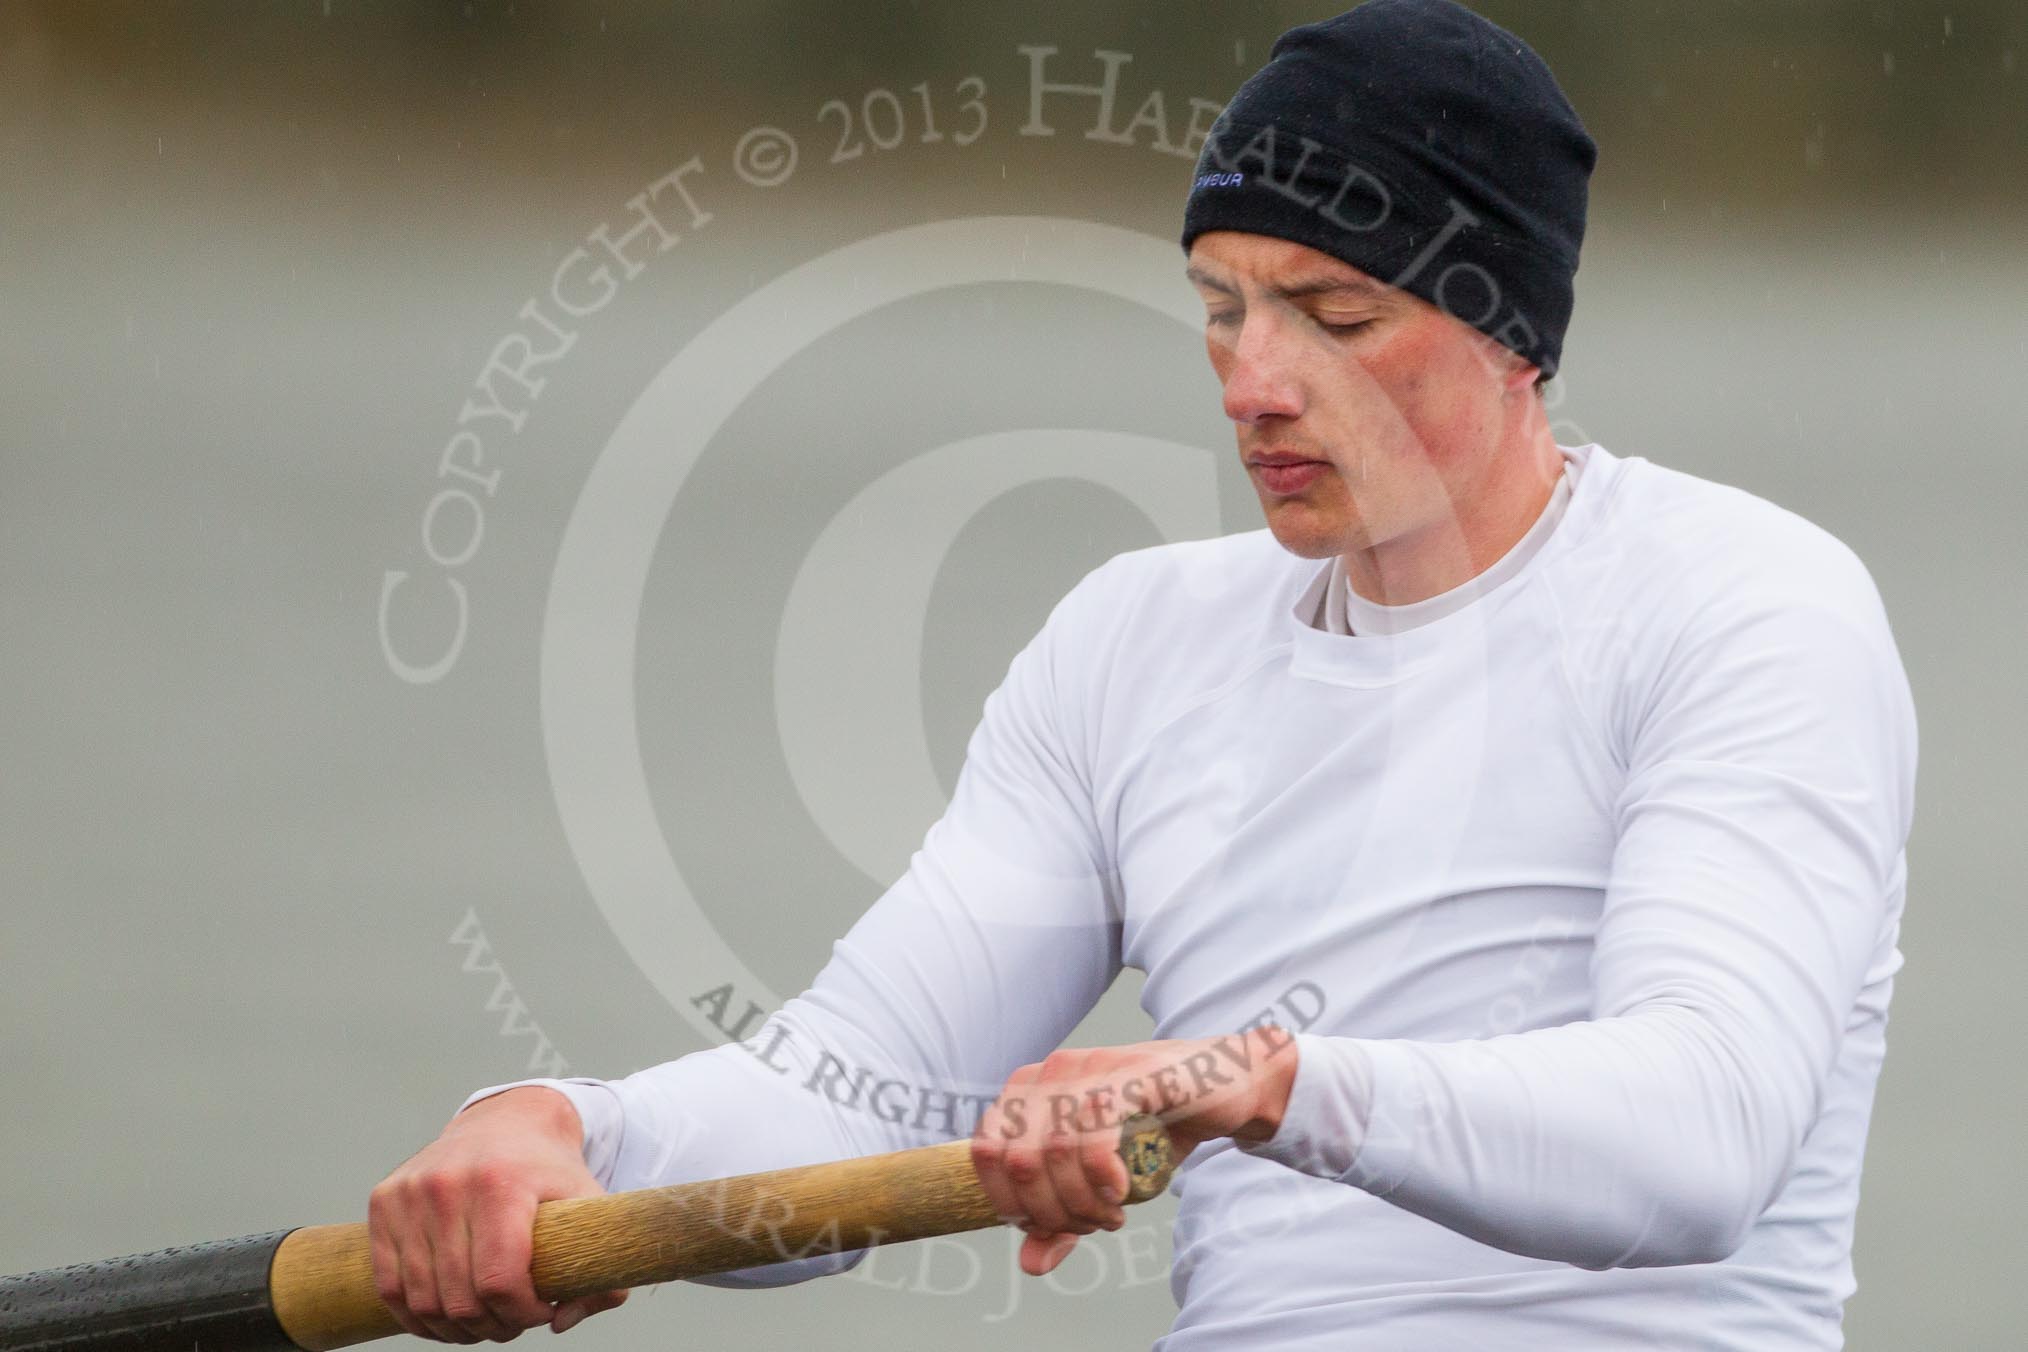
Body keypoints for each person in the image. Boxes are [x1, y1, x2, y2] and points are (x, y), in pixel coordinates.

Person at [367, 2, 1917, 1347]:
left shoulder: (1744, 605)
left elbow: (1703, 1141)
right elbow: (857, 1099)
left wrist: (1254, 1082)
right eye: (1223, 306)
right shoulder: (1134, 644)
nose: (1254, 382)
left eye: (1334, 314)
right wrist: (573, 1130)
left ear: (1512, 333)